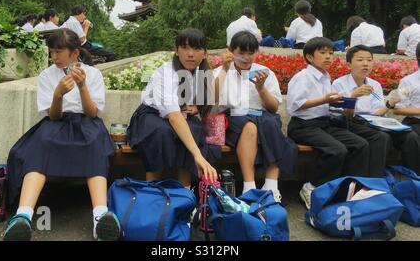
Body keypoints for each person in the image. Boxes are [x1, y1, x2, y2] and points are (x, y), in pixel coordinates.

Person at [4, 29, 119, 241]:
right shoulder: (48, 75)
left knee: (94, 145)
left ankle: (100, 217)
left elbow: (92, 113)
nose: (54, 56)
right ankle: (23, 216)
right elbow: (54, 116)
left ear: (75, 53)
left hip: (86, 122)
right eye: (52, 52)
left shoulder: (93, 74)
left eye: (59, 51)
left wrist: (82, 86)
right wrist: (58, 94)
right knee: (41, 146)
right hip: (57, 122)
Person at [127, 28, 218, 188]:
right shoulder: (167, 73)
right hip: (152, 116)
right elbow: (174, 117)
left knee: (193, 129)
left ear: (204, 53)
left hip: (179, 115)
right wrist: (198, 156)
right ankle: (152, 190)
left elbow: (208, 97)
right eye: (185, 47)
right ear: (176, 50)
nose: (191, 54)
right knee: (161, 132)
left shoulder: (202, 73)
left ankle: (186, 192)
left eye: (196, 48)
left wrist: (197, 107)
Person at [286, 37, 370, 209]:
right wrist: (324, 99)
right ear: (309, 57)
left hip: (324, 124)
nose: (328, 57)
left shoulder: (325, 76)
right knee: (336, 150)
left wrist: (341, 102)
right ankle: (313, 187)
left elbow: (327, 103)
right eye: (323, 53)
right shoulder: (303, 77)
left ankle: (346, 189)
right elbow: (295, 105)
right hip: (303, 126)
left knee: (360, 144)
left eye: (331, 53)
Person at [214, 31, 298, 201]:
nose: (246, 58)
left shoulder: (265, 72)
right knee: (250, 126)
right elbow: (211, 98)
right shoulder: (220, 71)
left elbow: (273, 107)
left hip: (262, 114)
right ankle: (249, 186)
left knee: (270, 124)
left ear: (256, 53)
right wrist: (224, 68)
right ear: (231, 51)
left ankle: (271, 185)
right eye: (241, 53)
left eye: (250, 53)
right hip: (233, 116)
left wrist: (261, 89)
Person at [331, 45, 420, 176]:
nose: (365, 64)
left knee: (410, 136)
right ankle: (375, 179)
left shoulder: (374, 85)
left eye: (369, 60)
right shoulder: (339, 84)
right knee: (382, 137)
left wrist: (390, 103)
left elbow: (378, 112)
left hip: (374, 122)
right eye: (360, 60)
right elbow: (340, 115)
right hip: (351, 122)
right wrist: (353, 96)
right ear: (349, 65)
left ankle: (414, 177)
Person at [393, 42, 420, 174]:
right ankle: (414, 177)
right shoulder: (408, 81)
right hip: (415, 122)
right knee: (411, 138)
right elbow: (398, 109)